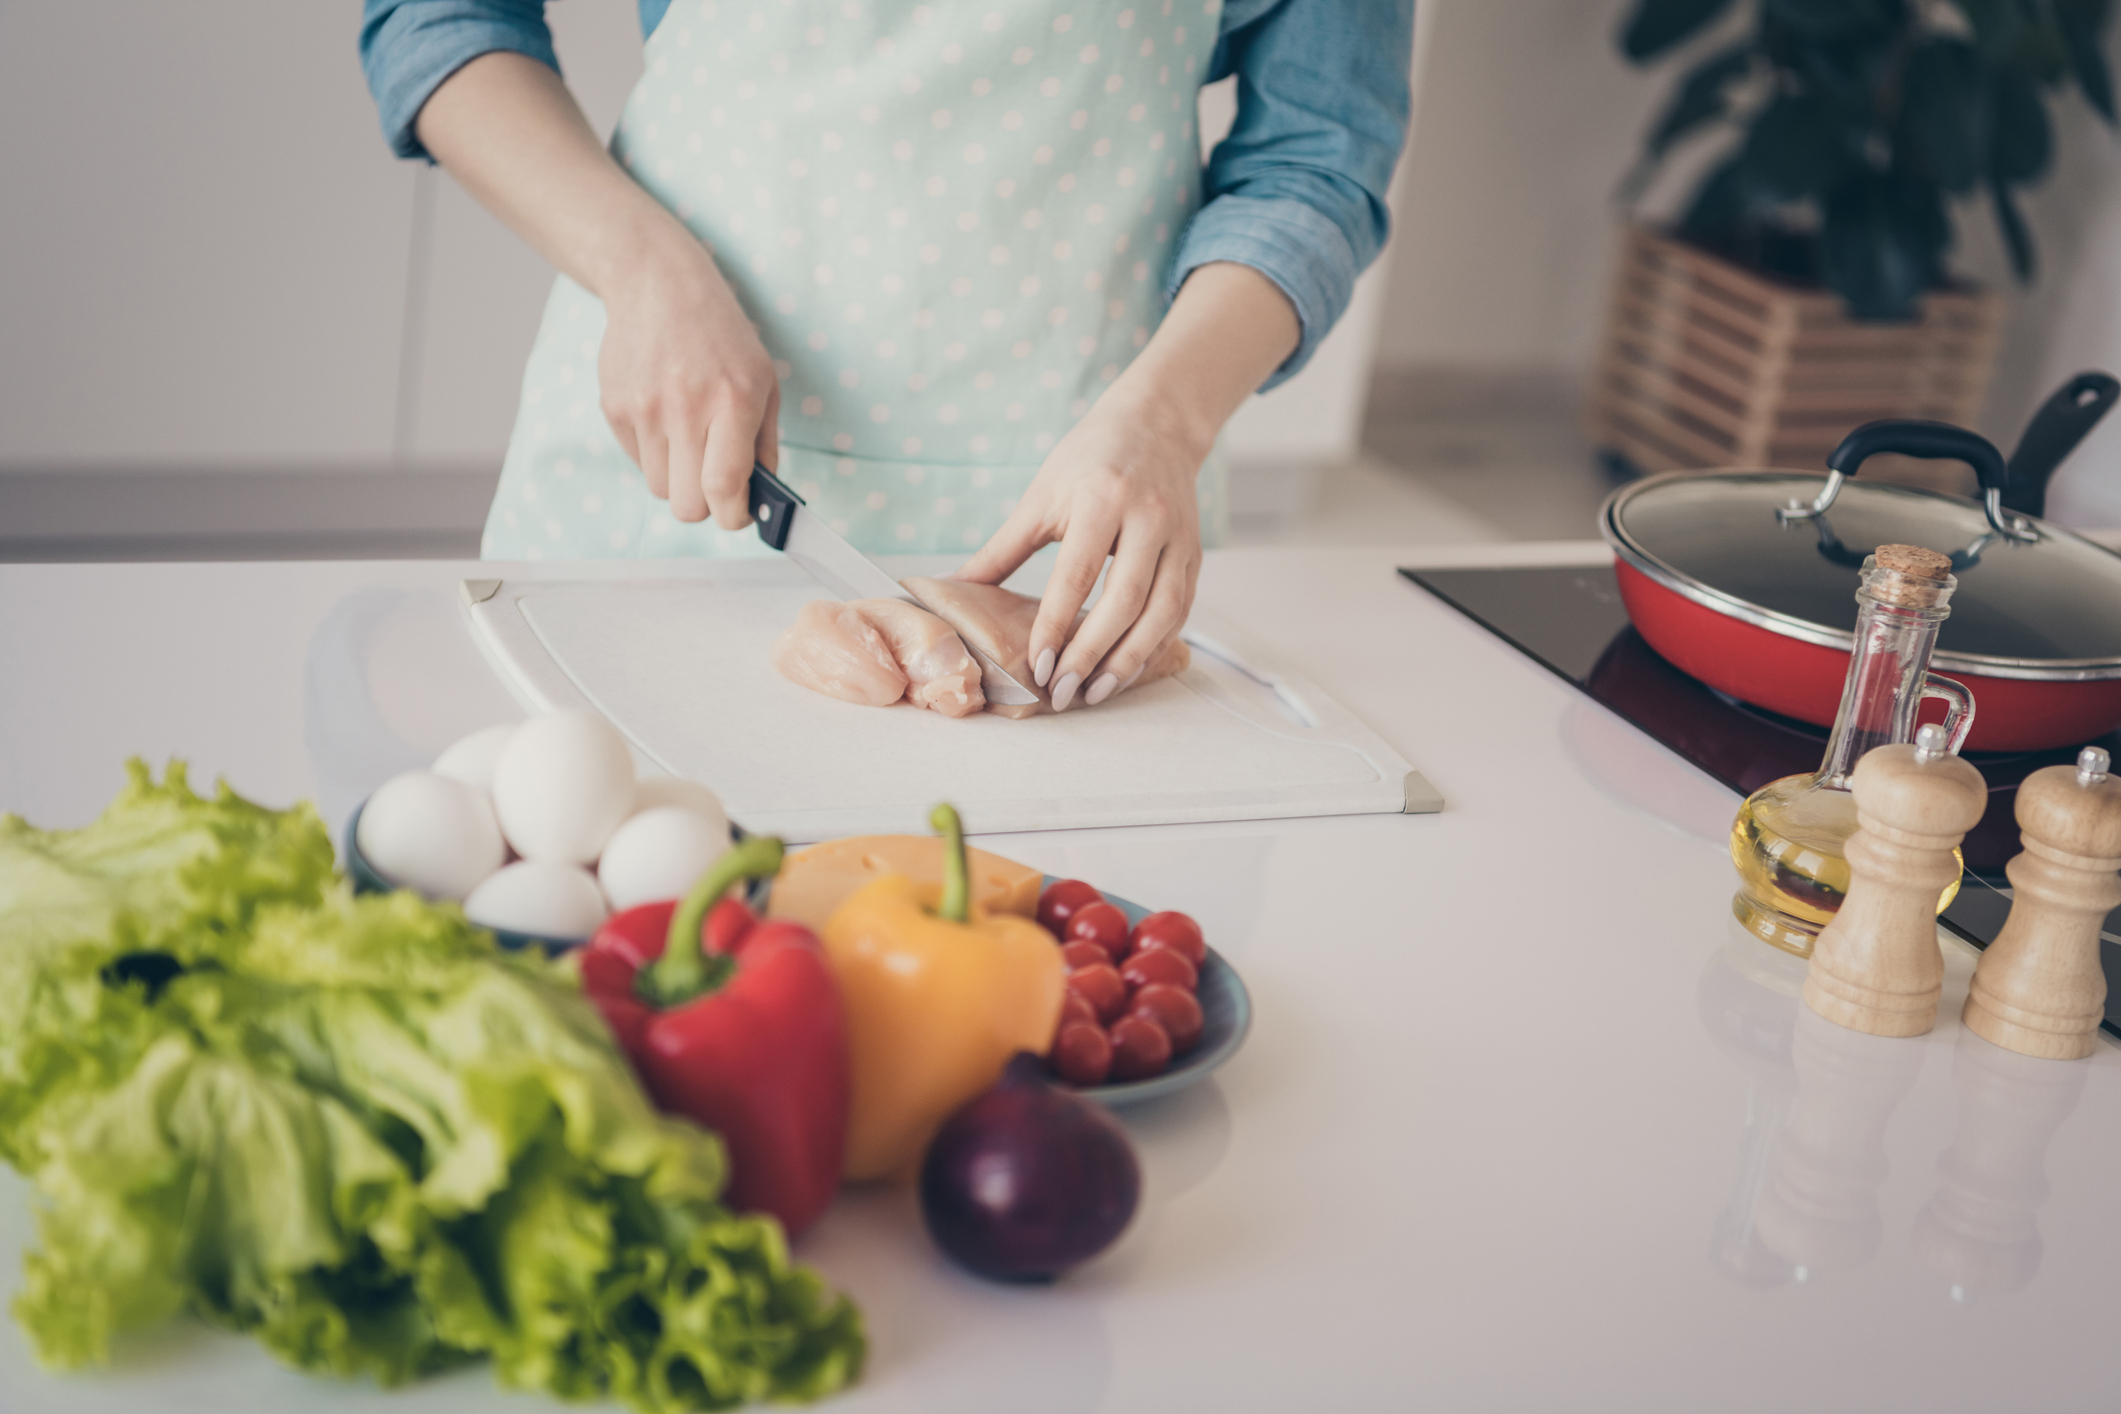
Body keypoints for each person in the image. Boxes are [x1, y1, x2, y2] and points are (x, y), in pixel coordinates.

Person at [361, 0, 1413, 710]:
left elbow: (1319, 155)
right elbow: (438, 15)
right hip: (663, 462)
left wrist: (1169, 419)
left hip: (1079, 523)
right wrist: (642, 272)